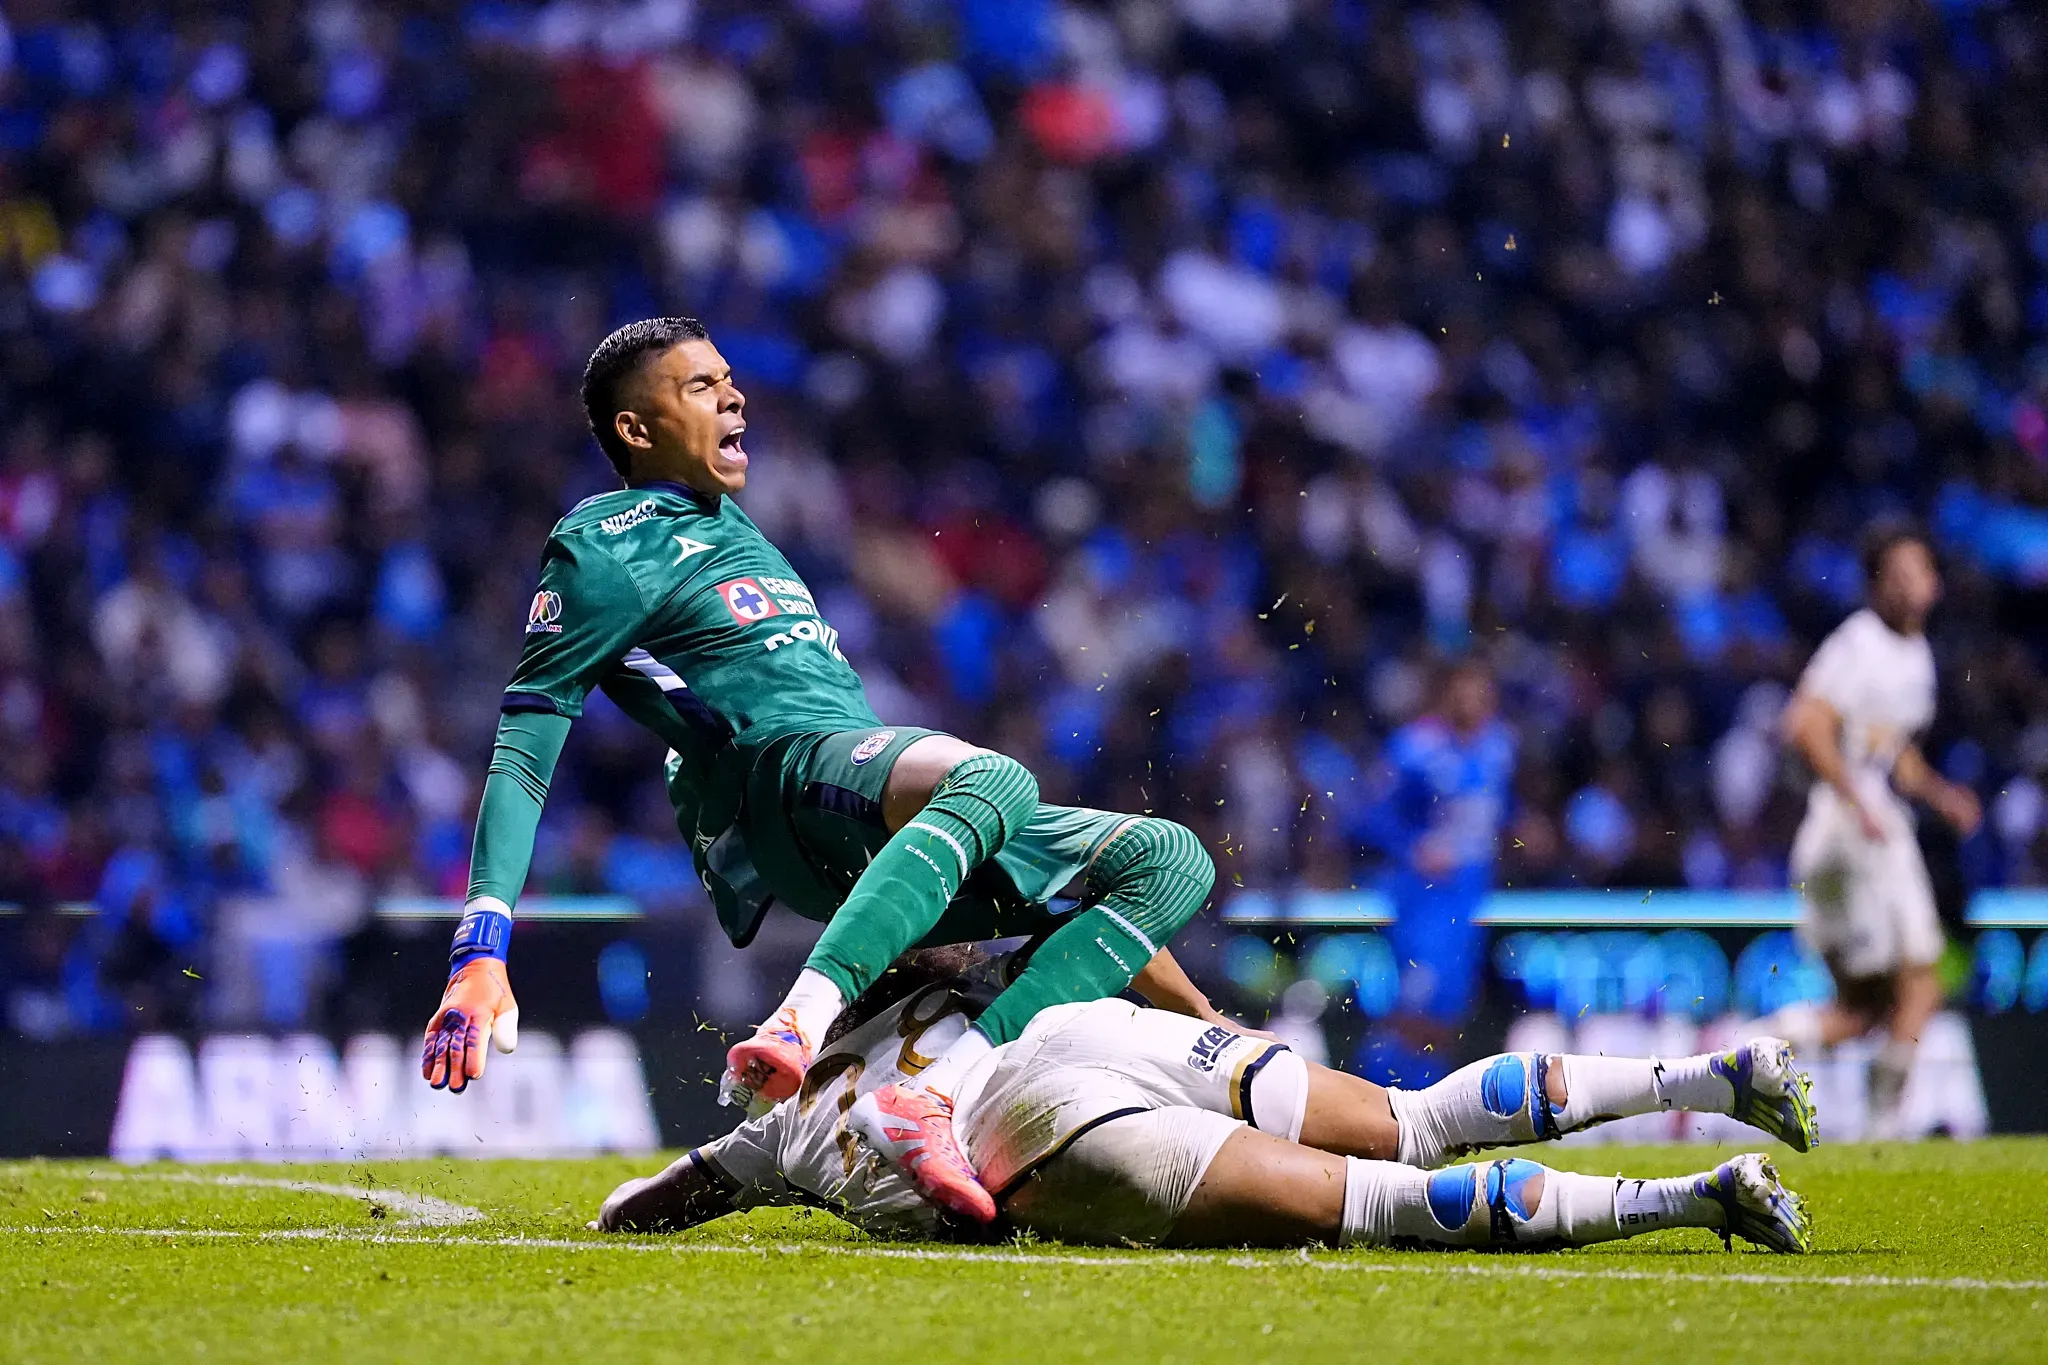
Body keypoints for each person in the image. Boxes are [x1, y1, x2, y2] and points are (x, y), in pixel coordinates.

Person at [417, 318, 1218, 1222]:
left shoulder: (734, 525)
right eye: (700, 386)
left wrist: (1205, 1016)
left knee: (1169, 859)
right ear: (637, 431)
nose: (735, 396)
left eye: (729, 377)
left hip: (868, 813)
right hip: (787, 785)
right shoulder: (605, 542)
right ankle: (800, 1019)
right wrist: (479, 947)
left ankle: (924, 1093)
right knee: (993, 779)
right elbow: (526, 743)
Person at [592, 947, 1816, 1253]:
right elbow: (1116, 921)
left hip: (1023, 1128)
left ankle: (1693, 1197)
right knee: (1411, 1118)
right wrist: (1206, 1017)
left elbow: (648, 1201)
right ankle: (1710, 1078)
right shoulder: (967, 974)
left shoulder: (787, 1120)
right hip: (1096, 1030)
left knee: (1378, 1202)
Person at [1770, 525, 1982, 1138]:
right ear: (1876, 586)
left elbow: (1894, 755)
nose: (1910, 587)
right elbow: (1805, 724)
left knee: (1863, 1009)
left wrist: (1942, 796)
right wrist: (1856, 797)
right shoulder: (1859, 643)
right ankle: (1885, 1126)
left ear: (1935, 582)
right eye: (1897, 576)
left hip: (1846, 827)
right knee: (1924, 976)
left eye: (1918, 574)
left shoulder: (1916, 657)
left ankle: (1752, 1044)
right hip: (1856, 829)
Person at [1358, 658, 1514, 1085]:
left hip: (1469, 895)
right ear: (1445, 694)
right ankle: (1379, 1093)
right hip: (1422, 897)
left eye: (1482, 694)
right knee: (1411, 1010)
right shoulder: (1413, 748)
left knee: (1449, 1013)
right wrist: (1415, 849)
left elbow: (1497, 812)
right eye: (1465, 692)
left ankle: (1430, 1105)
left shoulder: (1499, 746)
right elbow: (1373, 816)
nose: (1474, 703)